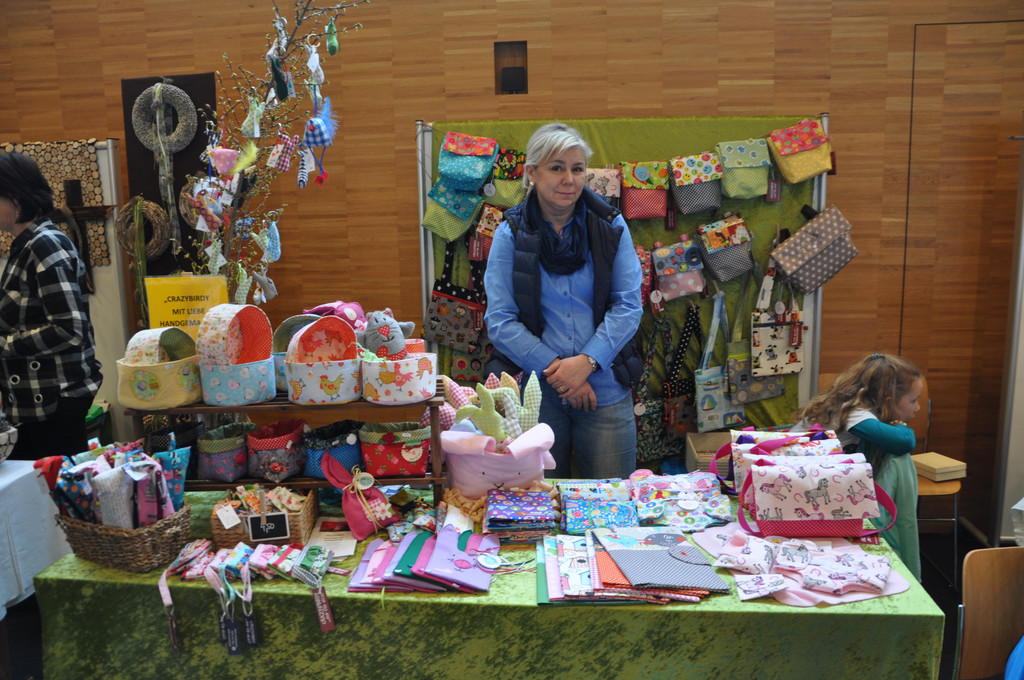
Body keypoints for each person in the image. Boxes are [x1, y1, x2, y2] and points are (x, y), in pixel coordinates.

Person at [484, 122, 643, 479]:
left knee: (610, 502)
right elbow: (500, 321)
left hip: (605, 390)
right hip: (535, 398)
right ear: (531, 173)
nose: (569, 179)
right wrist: (563, 373)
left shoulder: (611, 226)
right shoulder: (510, 234)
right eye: (557, 168)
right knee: (538, 505)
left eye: (577, 169)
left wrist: (587, 363)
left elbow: (628, 306)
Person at [0, 152, 102, 459]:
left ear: (15, 200)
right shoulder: (26, 246)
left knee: (54, 487)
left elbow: (69, 329)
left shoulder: (44, 245)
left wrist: (6, 345)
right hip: (34, 401)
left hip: (54, 402)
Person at [792, 352, 924, 580]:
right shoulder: (854, 413)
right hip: (797, 484)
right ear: (889, 401)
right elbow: (903, 442)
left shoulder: (854, 408)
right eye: (913, 401)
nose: (918, 407)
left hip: (807, 481)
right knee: (899, 457)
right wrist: (901, 425)